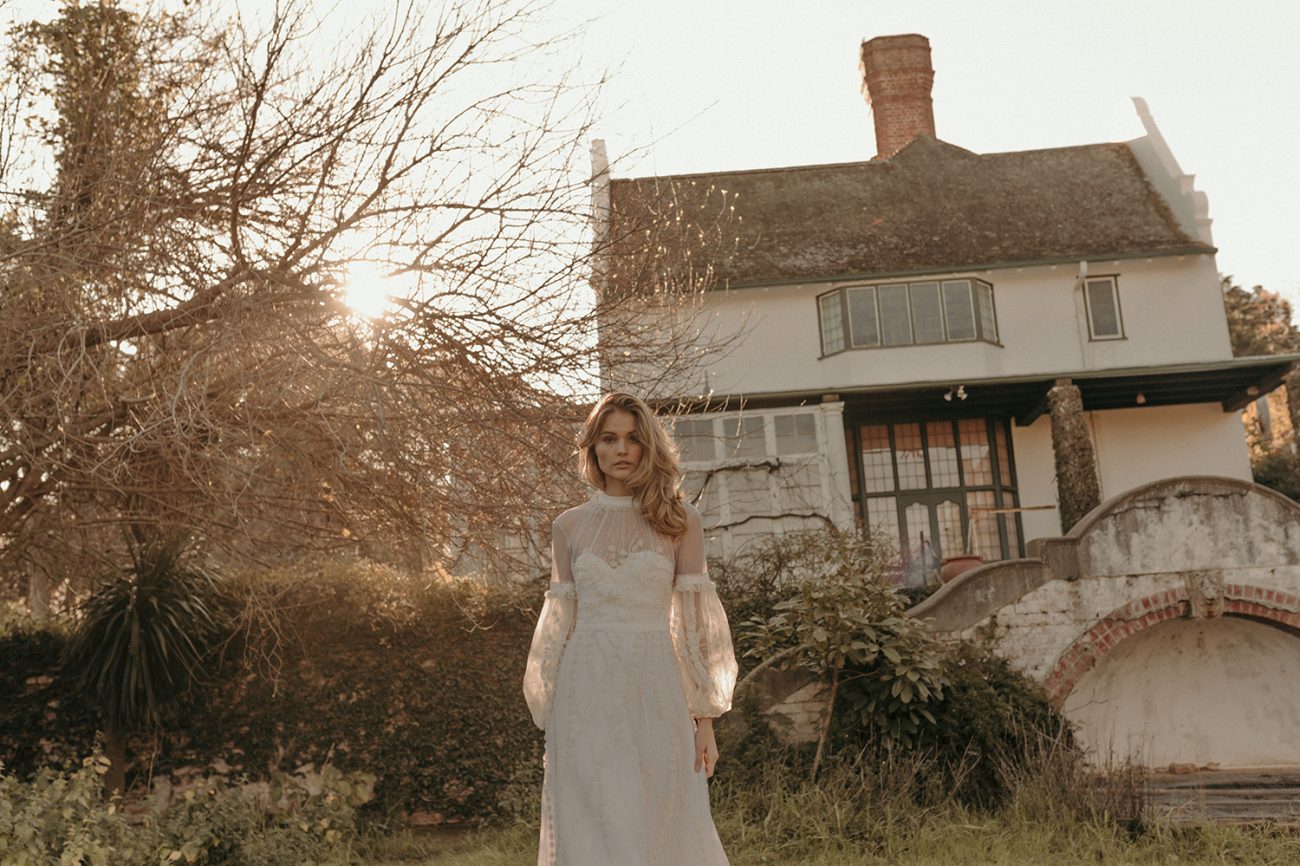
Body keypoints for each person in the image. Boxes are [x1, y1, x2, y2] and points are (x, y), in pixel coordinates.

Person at [522, 392, 739, 866]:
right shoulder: (569, 527)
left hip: (654, 689)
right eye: (609, 438)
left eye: (633, 439)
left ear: (649, 447)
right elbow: (560, 627)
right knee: (593, 825)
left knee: (667, 818)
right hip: (584, 695)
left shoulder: (680, 521)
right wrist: (552, 708)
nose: (622, 449)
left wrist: (703, 721)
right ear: (593, 449)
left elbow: (694, 625)